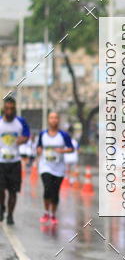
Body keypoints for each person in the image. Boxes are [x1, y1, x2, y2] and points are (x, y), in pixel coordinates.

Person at [36, 112, 74, 224]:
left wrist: (62, 151)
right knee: (47, 188)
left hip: (59, 168)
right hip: (45, 166)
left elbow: (71, 148)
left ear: (58, 120)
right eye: (51, 118)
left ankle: (53, 214)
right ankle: (46, 212)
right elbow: (39, 146)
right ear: (48, 120)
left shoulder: (64, 135)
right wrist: (38, 150)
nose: (53, 120)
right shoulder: (42, 134)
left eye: (56, 118)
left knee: (55, 192)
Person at [0, 96, 30, 225]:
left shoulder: (21, 122)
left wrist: (22, 139)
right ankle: (1, 208)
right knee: (1, 190)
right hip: (1, 162)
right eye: (7, 109)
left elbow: (27, 135)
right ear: (4, 109)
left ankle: (10, 215)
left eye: (12, 109)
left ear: (15, 108)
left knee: (13, 191)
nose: (9, 111)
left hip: (15, 162)